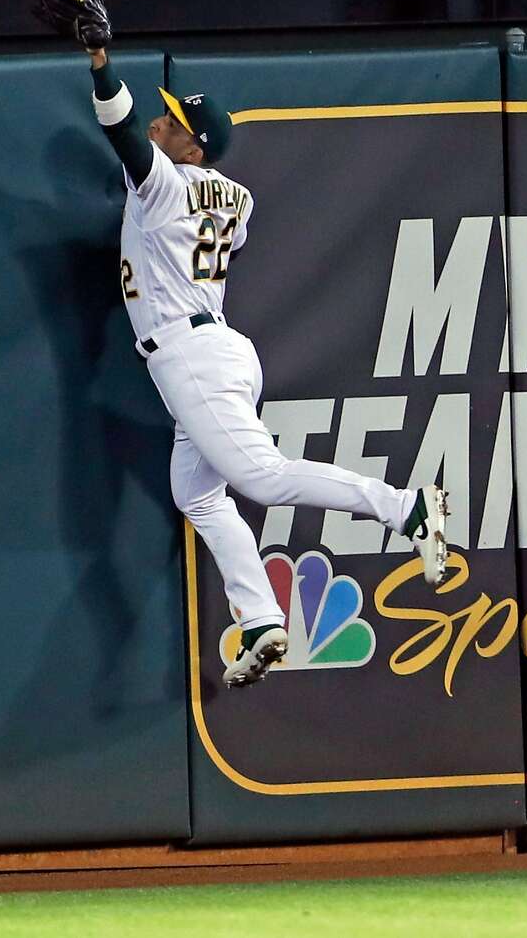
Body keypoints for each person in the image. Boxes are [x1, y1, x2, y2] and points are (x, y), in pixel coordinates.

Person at [79, 43, 449, 689]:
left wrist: (99, 59)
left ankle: (405, 507)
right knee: (198, 497)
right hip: (214, 349)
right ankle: (260, 620)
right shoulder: (237, 199)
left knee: (264, 479)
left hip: (191, 355)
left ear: (192, 149)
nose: (158, 126)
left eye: (171, 124)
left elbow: (118, 126)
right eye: (162, 117)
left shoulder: (164, 180)